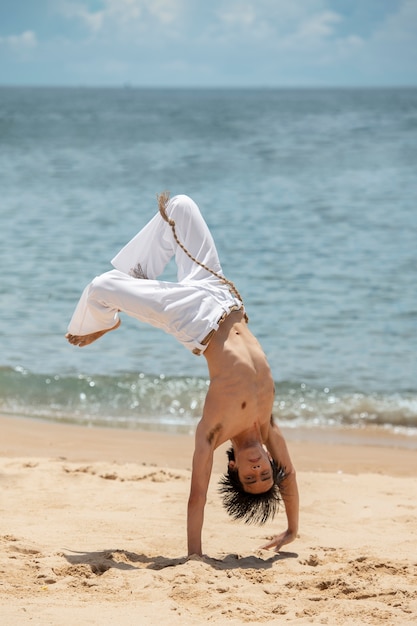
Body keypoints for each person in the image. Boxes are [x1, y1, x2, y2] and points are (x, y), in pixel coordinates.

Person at [66, 193, 299, 557]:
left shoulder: (213, 432)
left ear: (234, 467)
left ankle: (103, 320)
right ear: (271, 463)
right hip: (221, 294)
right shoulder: (268, 426)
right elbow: (292, 476)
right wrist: (292, 529)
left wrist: (195, 555)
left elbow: (197, 496)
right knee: (181, 206)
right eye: (265, 474)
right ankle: (137, 277)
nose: (257, 470)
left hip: (195, 320)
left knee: (100, 288)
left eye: (249, 477)